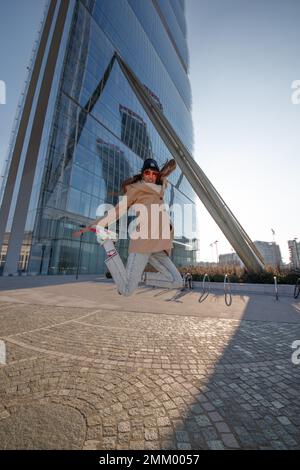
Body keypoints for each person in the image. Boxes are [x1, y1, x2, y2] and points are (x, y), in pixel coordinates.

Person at [73, 158, 183, 296]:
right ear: (142, 174)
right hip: (142, 243)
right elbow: (117, 211)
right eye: (147, 172)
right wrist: (90, 226)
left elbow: (171, 166)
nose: (150, 176)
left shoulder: (160, 188)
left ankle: (142, 278)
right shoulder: (135, 189)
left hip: (158, 244)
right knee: (126, 291)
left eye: (154, 174)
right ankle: (109, 246)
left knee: (177, 281)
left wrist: (168, 168)